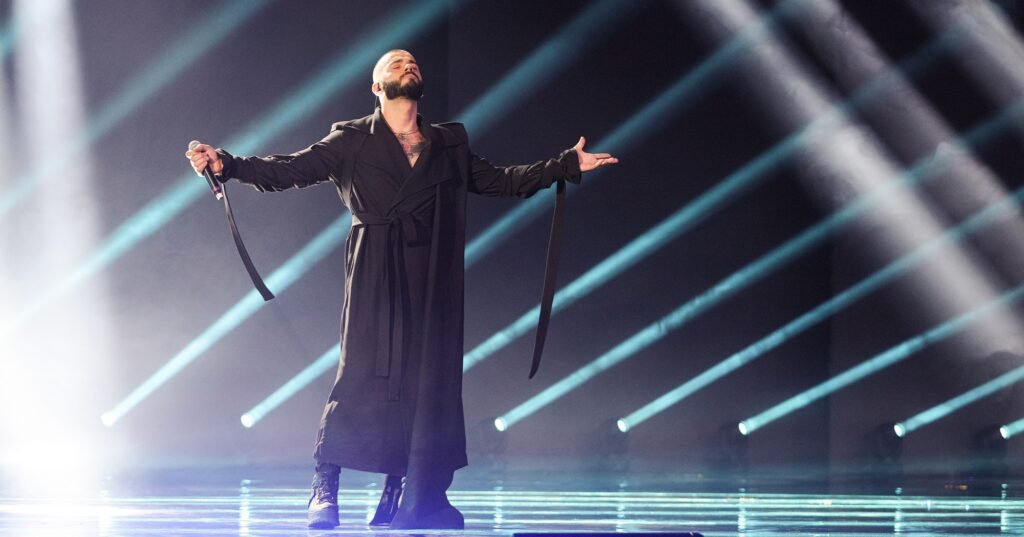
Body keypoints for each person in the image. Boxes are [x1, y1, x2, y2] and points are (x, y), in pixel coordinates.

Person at [186, 49, 617, 530]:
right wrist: (228, 164)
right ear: (377, 88)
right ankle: (325, 483)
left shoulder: (448, 143)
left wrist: (563, 165)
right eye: (394, 64)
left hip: (431, 274)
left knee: (421, 383)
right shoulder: (351, 139)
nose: (407, 65)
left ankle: (402, 489)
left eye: (412, 62)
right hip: (375, 266)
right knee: (358, 376)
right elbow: (289, 170)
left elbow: (500, 181)